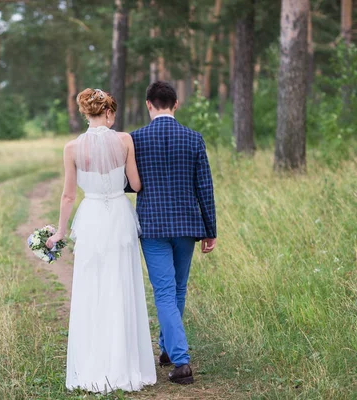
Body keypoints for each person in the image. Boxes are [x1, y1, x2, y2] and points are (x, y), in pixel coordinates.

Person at [46, 88, 156, 393]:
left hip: (92, 217)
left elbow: (68, 195)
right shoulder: (124, 141)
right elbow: (135, 183)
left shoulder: (72, 148)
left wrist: (60, 231)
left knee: (92, 288)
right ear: (108, 112)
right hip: (120, 216)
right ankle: (125, 364)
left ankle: (94, 364)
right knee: (121, 284)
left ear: (86, 113)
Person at [131, 81, 217, 384]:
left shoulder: (136, 139)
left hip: (153, 226)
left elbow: (130, 183)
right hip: (187, 226)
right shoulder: (194, 139)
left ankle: (180, 362)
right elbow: (204, 187)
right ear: (176, 104)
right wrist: (211, 230)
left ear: (148, 104)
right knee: (177, 289)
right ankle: (169, 350)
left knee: (166, 292)